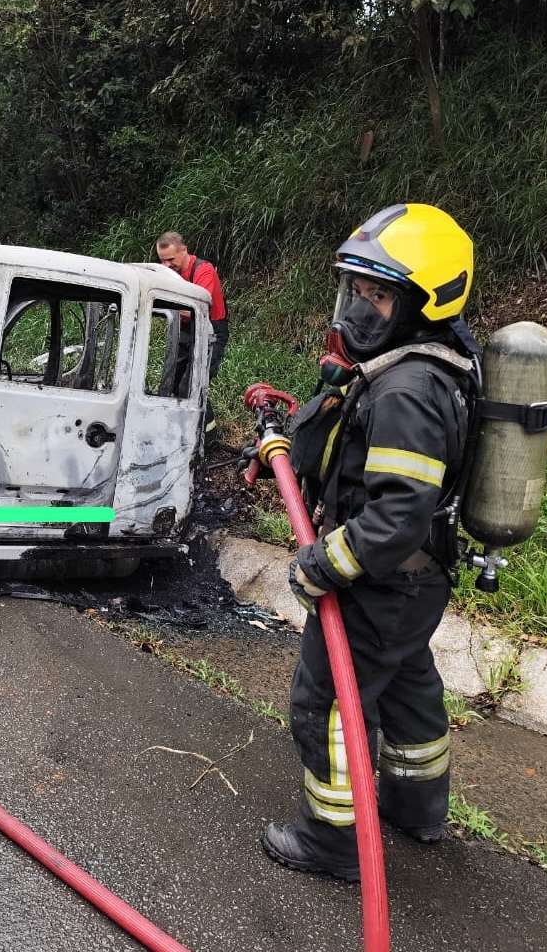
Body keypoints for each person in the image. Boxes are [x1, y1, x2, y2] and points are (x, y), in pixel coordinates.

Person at [260, 203, 477, 881]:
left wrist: (324, 564)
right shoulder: (430, 363)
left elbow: (397, 513)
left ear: (423, 301)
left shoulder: (406, 388)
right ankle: (417, 808)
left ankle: (333, 843)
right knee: (409, 684)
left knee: (326, 702)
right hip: (420, 579)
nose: (358, 307)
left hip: (382, 578)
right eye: (356, 288)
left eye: (378, 294)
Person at [156, 232, 229, 380]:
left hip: (210, 329)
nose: (166, 265)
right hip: (185, 327)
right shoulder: (168, 272)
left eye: (170, 259)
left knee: (193, 384)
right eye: (162, 261)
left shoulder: (203, 270)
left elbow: (198, 311)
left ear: (184, 251)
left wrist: (161, 305)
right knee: (171, 379)